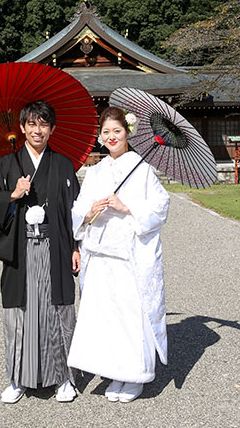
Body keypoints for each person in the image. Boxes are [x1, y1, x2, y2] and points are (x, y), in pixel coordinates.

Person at [0, 100, 81, 404]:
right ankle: (18, 378)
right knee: (20, 314)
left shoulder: (62, 164)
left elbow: (74, 210)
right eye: (32, 124)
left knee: (58, 312)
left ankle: (64, 378)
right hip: (21, 251)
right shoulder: (7, 164)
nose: (38, 130)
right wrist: (12, 194)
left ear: (52, 129)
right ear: (22, 128)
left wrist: (76, 246)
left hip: (56, 248)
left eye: (44, 124)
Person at [67, 106, 170, 403]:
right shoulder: (95, 171)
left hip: (129, 254)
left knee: (130, 314)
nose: (111, 137)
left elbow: (160, 206)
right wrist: (88, 214)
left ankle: (134, 374)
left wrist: (127, 208)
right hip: (100, 254)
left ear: (128, 134)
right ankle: (114, 372)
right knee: (106, 314)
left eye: (117, 131)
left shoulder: (142, 168)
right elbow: (77, 209)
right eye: (106, 132)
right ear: (99, 137)